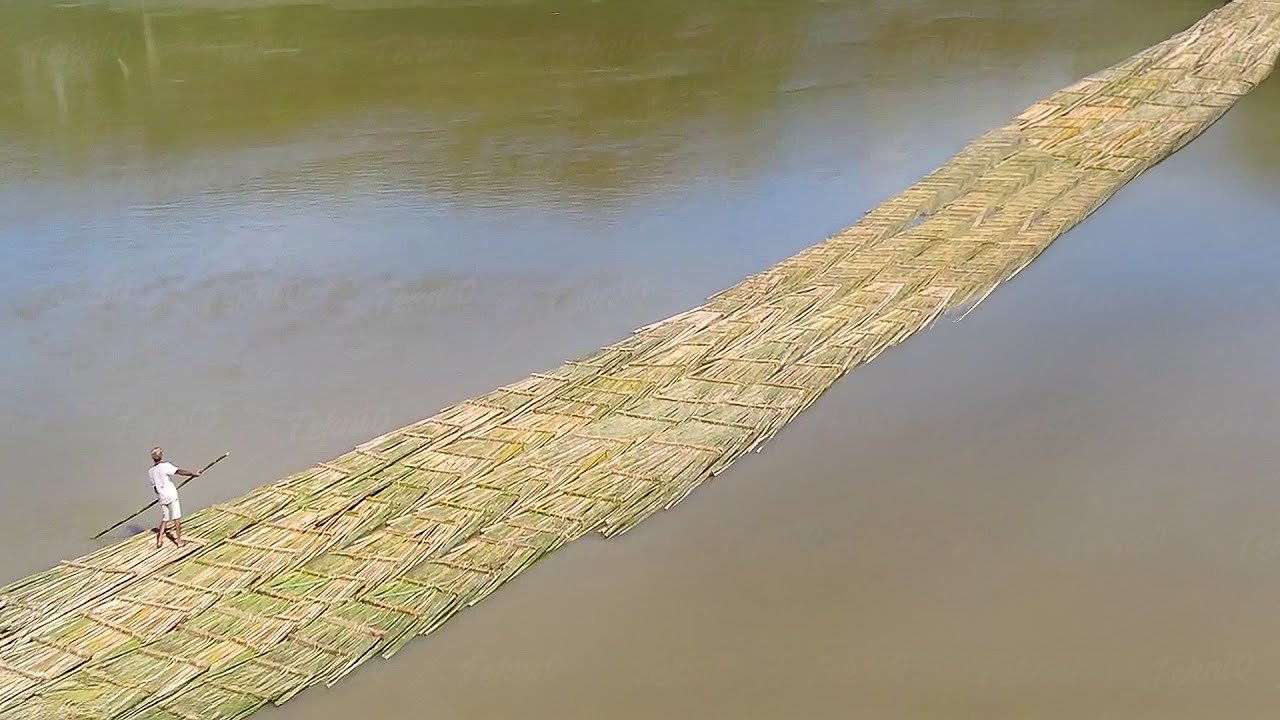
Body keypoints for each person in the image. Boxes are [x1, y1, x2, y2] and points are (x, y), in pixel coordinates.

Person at [148, 446, 200, 549]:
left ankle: (159, 541)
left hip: (162, 497)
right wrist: (192, 473)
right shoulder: (165, 466)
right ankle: (179, 541)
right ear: (161, 456)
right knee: (176, 517)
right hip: (171, 495)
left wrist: (160, 496)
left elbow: (155, 487)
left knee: (165, 518)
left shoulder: (151, 472)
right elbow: (178, 471)